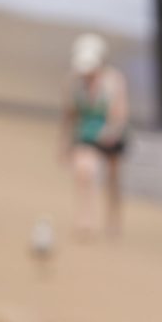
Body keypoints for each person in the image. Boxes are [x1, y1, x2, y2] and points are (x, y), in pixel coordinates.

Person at [60, 32, 129, 237]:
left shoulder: (114, 81)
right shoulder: (73, 82)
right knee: (83, 170)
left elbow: (120, 113)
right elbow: (70, 115)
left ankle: (113, 220)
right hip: (85, 133)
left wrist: (110, 132)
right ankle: (85, 218)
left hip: (111, 135)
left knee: (112, 180)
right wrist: (65, 143)